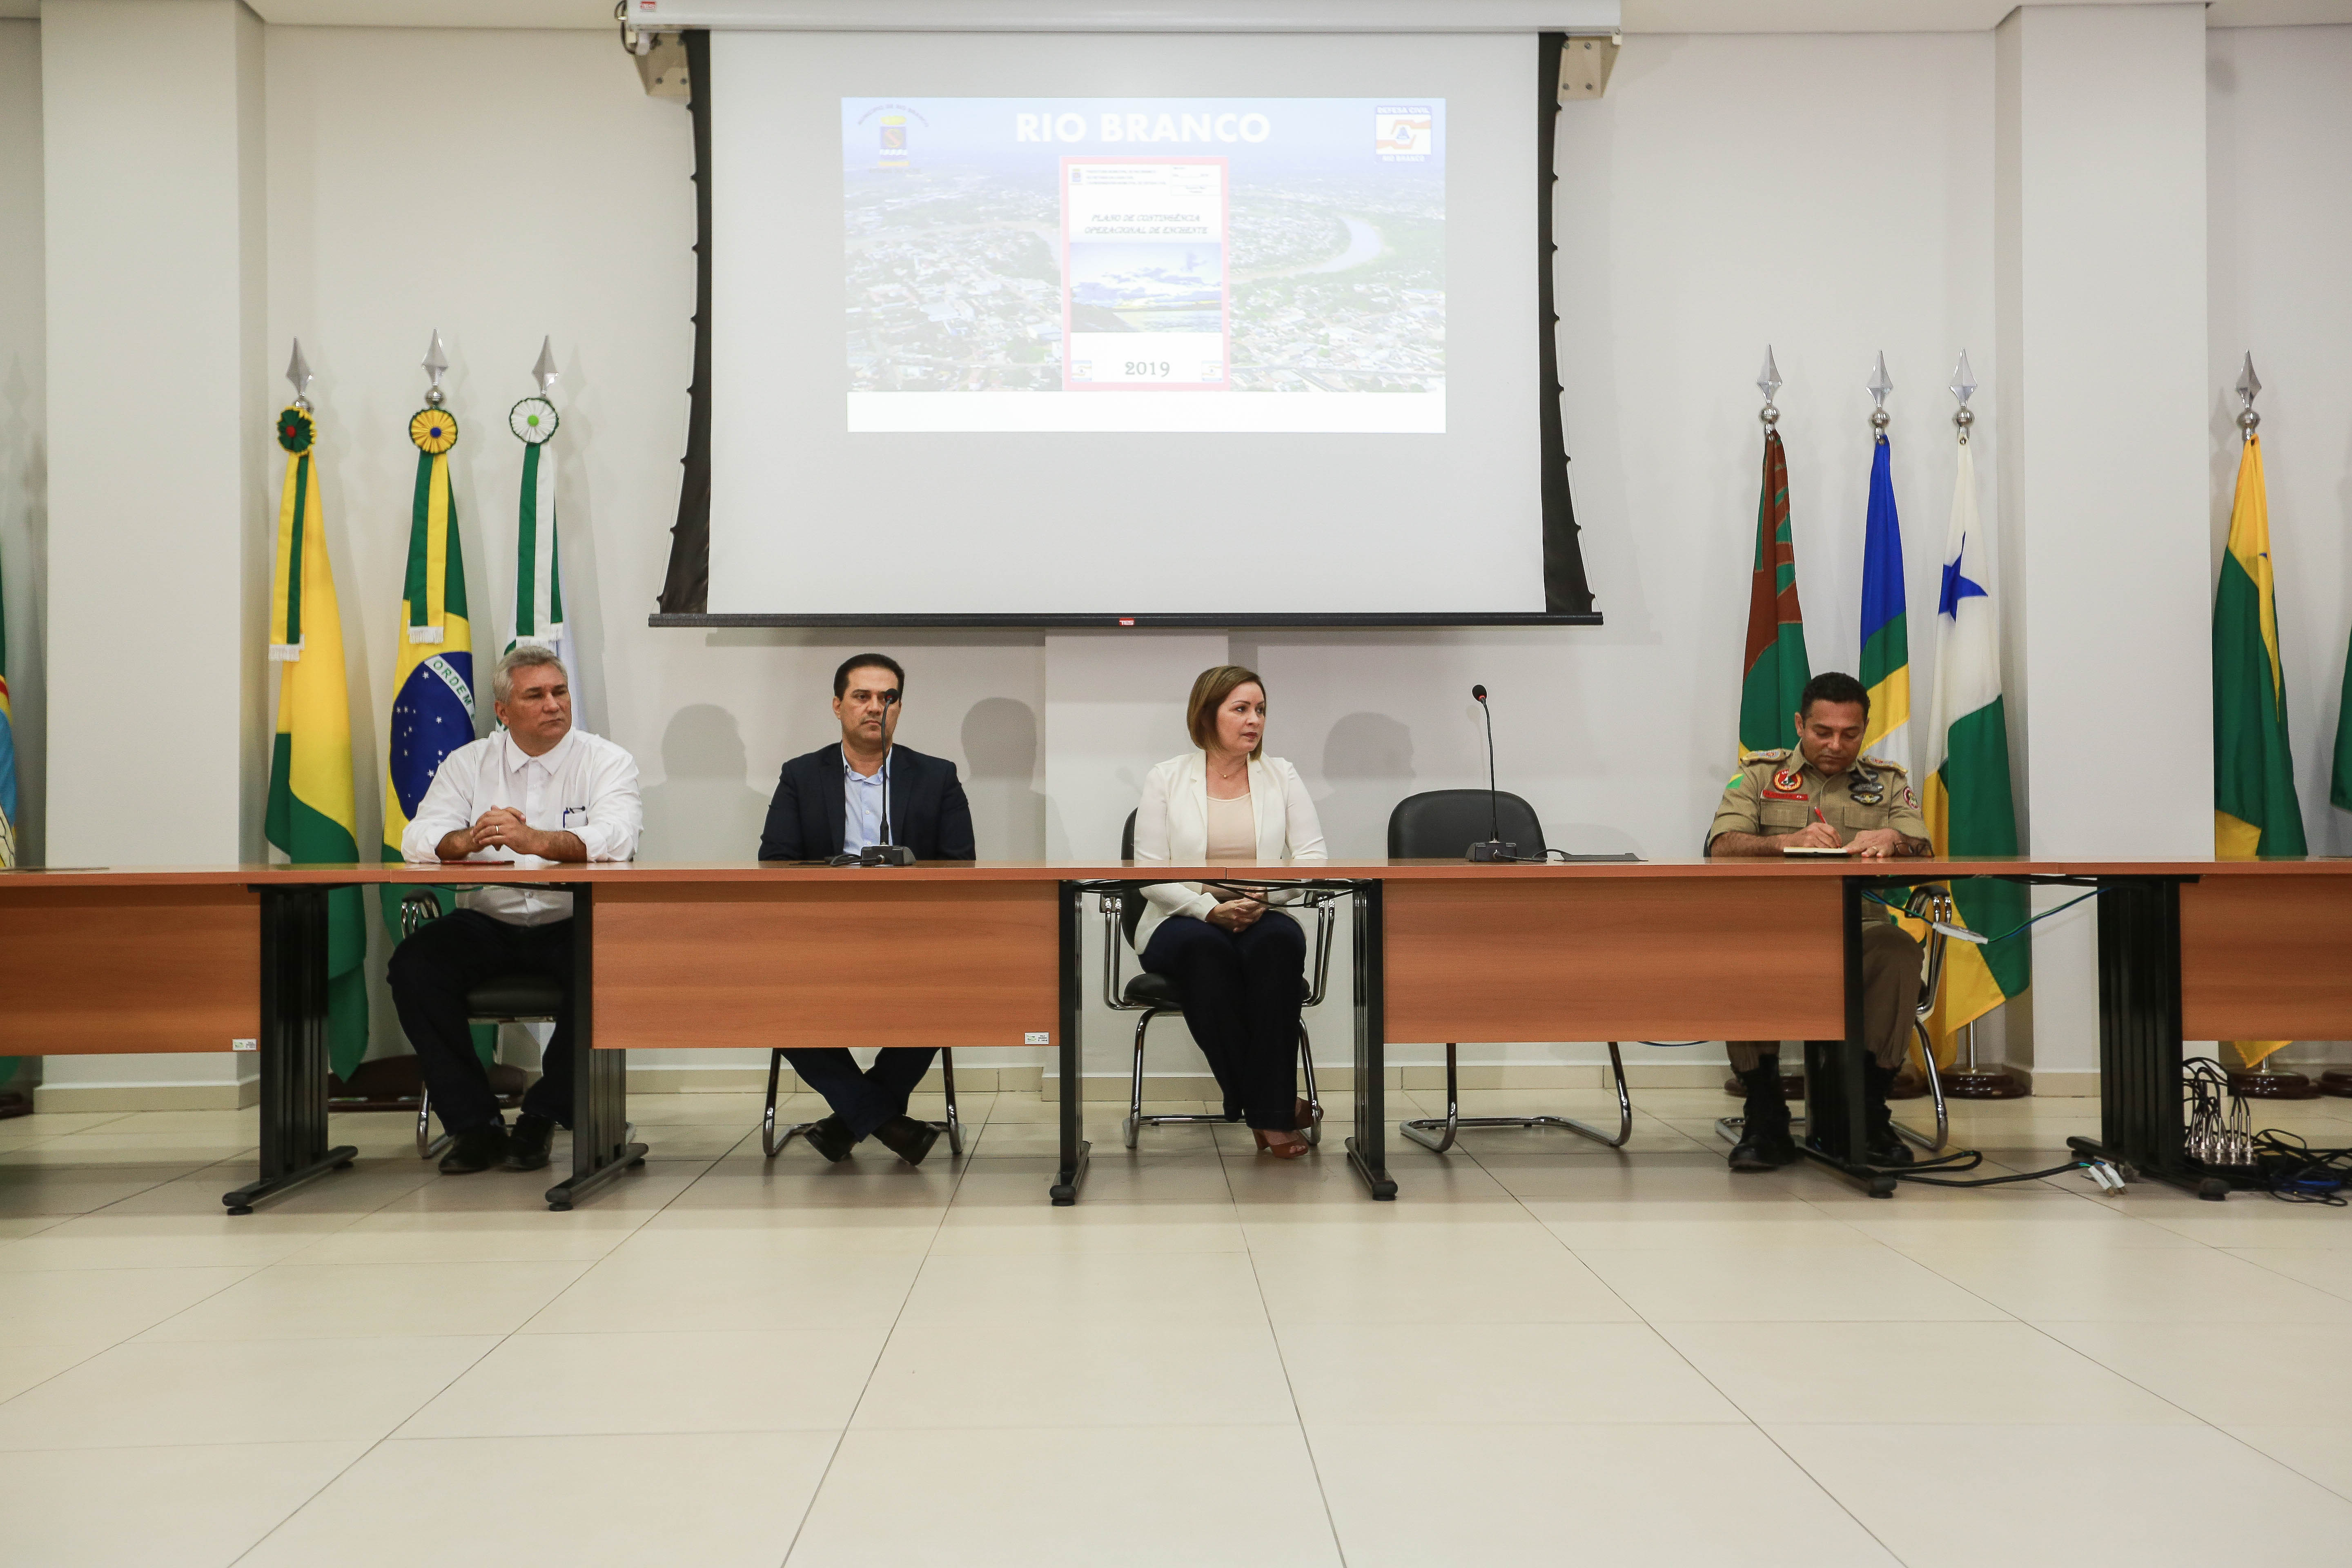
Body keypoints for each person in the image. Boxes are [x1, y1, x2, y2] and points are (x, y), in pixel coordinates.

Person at [390, 645, 642, 1174]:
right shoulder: (469, 763)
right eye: (536, 695)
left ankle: (542, 1115)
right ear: (504, 712)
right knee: (415, 967)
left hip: (570, 919)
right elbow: (418, 834)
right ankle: (473, 1125)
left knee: (605, 967)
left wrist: (539, 841)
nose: (554, 705)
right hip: (490, 921)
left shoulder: (606, 760)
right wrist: (458, 842)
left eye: (560, 692)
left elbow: (618, 839)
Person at [1706, 670, 1931, 1172]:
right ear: (1799, 725)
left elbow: (1924, 849)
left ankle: (1869, 1113)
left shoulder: (1888, 782)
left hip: (1861, 928)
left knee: (1898, 949)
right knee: (1738, 955)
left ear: (1865, 728)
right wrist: (1786, 845)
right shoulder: (1759, 775)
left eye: (1850, 734)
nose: (1835, 744)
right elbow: (1722, 846)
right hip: (1774, 930)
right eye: (1822, 731)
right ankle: (1764, 1113)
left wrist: (1894, 839)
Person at [757, 653, 976, 1165]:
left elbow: (960, 867)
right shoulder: (801, 776)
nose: (876, 708)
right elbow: (776, 863)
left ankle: (850, 1120)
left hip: (912, 936)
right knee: (775, 998)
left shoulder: (936, 776)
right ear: (838, 706)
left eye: (888, 698)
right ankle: (882, 1121)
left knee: (943, 991)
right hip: (822, 935)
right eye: (863, 697)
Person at [1132, 665, 1329, 1158]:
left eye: (1260, 710)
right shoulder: (1167, 778)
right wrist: (1206, 908)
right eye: (1240, 709)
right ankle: (1275, 1109)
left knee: (1280, 946)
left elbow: (1312, 860)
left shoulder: (1280, 774)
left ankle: (1262, 1105)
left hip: (1263, 908)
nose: (1254, 720)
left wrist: (1262, 897)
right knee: (1207, 951)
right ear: (1207, 715)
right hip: (1180, 920)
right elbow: (1150, 875)